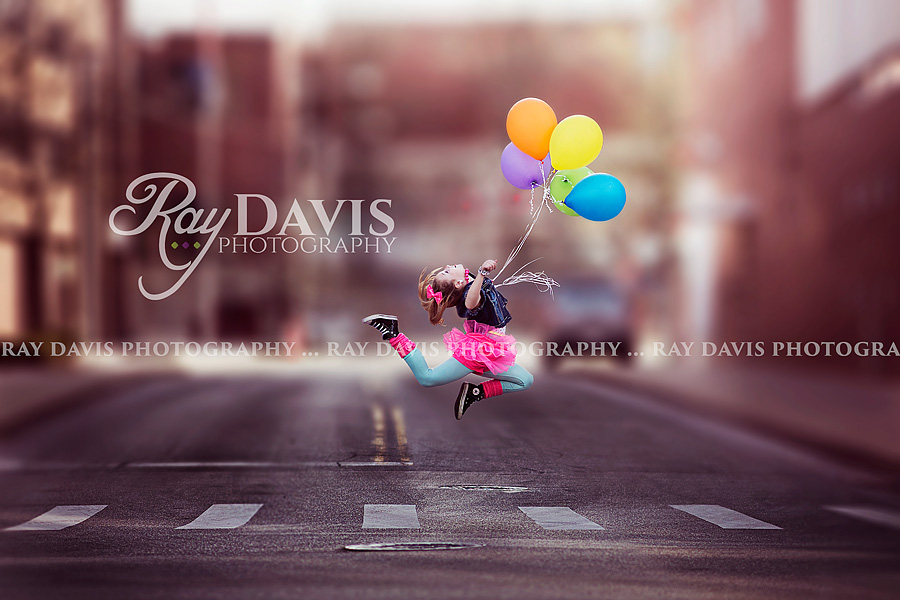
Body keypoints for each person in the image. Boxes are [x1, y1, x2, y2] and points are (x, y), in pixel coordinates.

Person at [363, 260, 533, 420]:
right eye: (446, 271)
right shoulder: (470, 292)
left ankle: (475, 392)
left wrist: (479, 274)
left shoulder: (467, 281)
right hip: (477, 352)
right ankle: (393, 333)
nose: (447, 266)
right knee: (427, 378)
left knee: (525, 380)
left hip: (492, 352)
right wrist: (481, 273)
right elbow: (471, 303)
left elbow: (465, 288)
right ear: (459, 284)